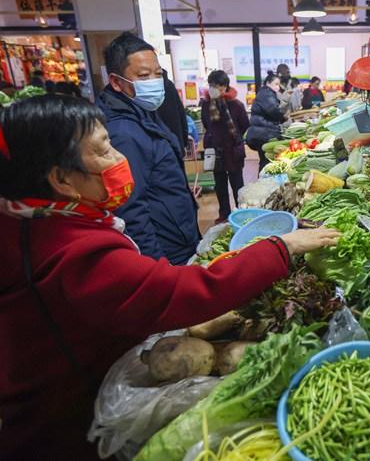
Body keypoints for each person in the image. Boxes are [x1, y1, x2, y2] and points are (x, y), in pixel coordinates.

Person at [0, 94, 340, 460]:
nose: (119, 158)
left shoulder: (29, 221)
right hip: (64, 432)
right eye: (104, 150)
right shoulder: (71, 253)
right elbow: (184, 292)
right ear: (61, 179)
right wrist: (280, 247)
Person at [97, 32, 199, 265]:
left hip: (178, 235)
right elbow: (130, 209)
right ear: (116, 81)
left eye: (158, 74)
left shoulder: (142, 111)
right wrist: (156, 266)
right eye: (144, 76)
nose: (154, 81)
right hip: (166, 250)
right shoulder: (123, 134)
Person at [201, 70, 250, 222]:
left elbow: (244, 125)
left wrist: (234, 138)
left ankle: (240, 213)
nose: (213, 89)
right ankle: (224, 214)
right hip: (215, 151)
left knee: (238, 185)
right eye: (211, 85)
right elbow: (205, 124)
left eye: (217, 86)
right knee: (220, 185)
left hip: (233, 150)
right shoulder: (206, 104)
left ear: (225, 87)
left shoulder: (235, 104)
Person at [246, 72, 286, 172]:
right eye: (276, 84)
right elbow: (274, 111)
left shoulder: (265, 93)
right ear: (268, 83)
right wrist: (283, 116)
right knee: (266, 161)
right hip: (264, 134)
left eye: (279, 84)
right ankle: (263, 183)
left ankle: (264, 182)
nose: (278, 87)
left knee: (265, 160)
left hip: (262, 132)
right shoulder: (266, 93)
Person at [157, 69, 189, 159]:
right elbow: (181, 114)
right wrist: (183, 142)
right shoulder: (169, 85)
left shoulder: (142, 91)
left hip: (158, 150)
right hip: (175, 144)